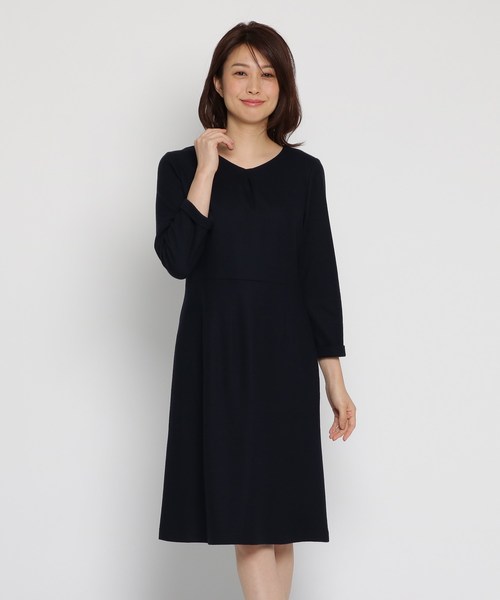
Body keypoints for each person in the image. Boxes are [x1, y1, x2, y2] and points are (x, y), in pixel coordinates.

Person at [154, 20, 357, 600]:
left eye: (267, 74)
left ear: (282, 86)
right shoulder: (180, 167)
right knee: (248, 515)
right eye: (240, 72)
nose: (253, 85)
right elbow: (177, 259)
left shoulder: (304, 173)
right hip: (217, 353)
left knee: (279, 518)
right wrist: (206, 168)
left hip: (284, 356)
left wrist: (334, 381)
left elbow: (319, 278)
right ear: (218, 83)